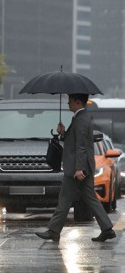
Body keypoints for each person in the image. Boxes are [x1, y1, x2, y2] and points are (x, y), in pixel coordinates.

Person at [36, 93, 116, 242]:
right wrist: (63, 133)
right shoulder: (81, 118)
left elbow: (81, 146)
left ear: (78, 102)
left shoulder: (80, 120)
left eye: (70, 101)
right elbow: (75, 141)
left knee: (64, 199)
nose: (68, 104)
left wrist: (79, 168)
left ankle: (53, 231)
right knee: (90, 198)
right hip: (83, 166)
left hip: (76, 168)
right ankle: (107, 229)